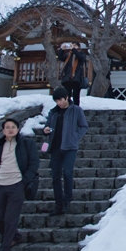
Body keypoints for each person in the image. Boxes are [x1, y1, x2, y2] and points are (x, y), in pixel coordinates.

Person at [0, 118, 39, 251]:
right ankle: (15, 236)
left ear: (18, 129)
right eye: (7, 127)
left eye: (13, 127)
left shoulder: (26, 144)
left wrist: (24, 181)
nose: (10, 130)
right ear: (3, 130)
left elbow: (34, 163)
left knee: (10, 220)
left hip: (16, 184)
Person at [43, 87, 88, 216]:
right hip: (55, 146)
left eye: (60, 100)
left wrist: (75, 137)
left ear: (66, 97)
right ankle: (58, 203)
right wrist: (45, 129)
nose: (59, 103)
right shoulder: (53, 112)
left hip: (70, 147)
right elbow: (47, 125)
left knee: (67, 173)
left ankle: (67, 200)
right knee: (55, 176)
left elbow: (84, 126)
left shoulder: (76, 110)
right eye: (56, 101)